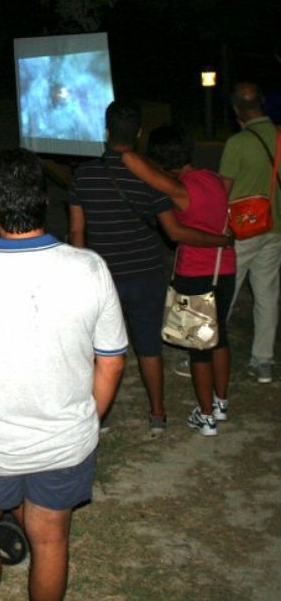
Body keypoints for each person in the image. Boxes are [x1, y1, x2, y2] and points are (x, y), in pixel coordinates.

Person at [0, 148, 128, 601]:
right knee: (51, 536)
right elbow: (111, 359)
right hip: (66, 441)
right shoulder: (90, 267)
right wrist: (86, 417)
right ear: (45, 201)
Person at [68, 100, 230, 435]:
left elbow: (77, 231)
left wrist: (79, 270)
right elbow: (172, 230)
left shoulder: (83, 176)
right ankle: (158, 413)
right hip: (146, 272)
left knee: (101, 349)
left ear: (107, 130)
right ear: (139, 134)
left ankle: (101, 416)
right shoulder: (151, 179)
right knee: (149, 347)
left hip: (103, 276)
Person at [121, 126, 235, 435]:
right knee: (219, 336)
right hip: (224, 270)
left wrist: (121, 137)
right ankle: (221, 402)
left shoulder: (180, 189)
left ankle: (206, 417)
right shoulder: (213, 178)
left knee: (198, 347)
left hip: (196, 273)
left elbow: (132, 162)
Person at [218, 81, 281, 384]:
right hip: (275, 226)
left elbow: (224, 189)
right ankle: (263, 361)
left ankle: (210, 347)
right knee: (267, 294)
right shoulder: (280, 135)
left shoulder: (238, 143)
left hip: (242, 229)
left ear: (236, 110)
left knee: (226, 289)